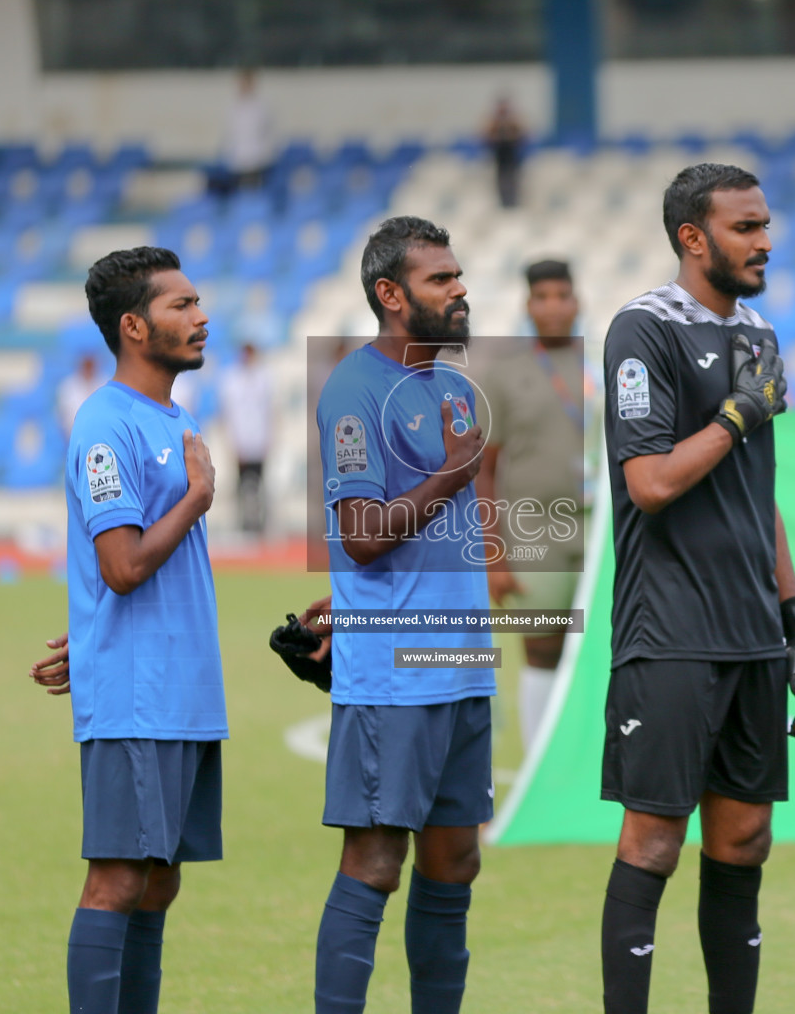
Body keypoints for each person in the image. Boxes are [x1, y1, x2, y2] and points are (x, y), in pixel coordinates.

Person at [598, 163, 795, 1014]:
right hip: (671, 635)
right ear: (694, 238)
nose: (765, 241)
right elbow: (650, 482)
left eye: (766, 224)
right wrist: (736, 414)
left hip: (752, 637)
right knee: (654, 840)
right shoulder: (641, 331)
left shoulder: (760, 334)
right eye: (746, 227)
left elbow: (755, 497)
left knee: (745, 840)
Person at [304, 216, 494, 1014]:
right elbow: (361, 535)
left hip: (463, 668)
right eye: (440, 280)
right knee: (376, 864)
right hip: (395, 680)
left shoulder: (453, 388)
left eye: (458, 276)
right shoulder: (354, 389)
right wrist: (453, 476)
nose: (460, 291)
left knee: (455, 864)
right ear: (391, 295)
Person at [26, 246, 222, 1014]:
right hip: (140, 694)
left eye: (198, 300)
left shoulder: (174, 415)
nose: (200, 315)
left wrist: (93, 631)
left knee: (159, 879)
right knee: (117, 878)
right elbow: (123, 565)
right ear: (134, 326)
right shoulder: (105, 424)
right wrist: (196, 498)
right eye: (181, 305)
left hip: (181, 686)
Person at [473, 258, 591, 751]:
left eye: (561, 296)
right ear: (528, 306)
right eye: (541, 298)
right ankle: (540, 770)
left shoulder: (606, 366)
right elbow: (484, 469)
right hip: (534, 534)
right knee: (543, 651)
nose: (553, 307)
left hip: (601, 532)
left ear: (576, 301)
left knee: (598, 650)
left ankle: (585, 767)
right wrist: (493, 554)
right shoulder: (503, 376)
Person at [220, 341, 274, 535]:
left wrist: (269, 439)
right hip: (241, 440)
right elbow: (229, 415)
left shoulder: (264, 377)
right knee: (241, 485)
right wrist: (232, 444)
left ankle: (261, 522)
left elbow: (269, 411)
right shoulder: (231, 379)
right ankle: (243, 522)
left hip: (259, 439)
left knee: (260, 484)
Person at [224, 67, 274, 190]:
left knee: (252, 195)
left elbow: (266, 133)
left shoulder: (261, 107)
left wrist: (262, 157)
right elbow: (232, 134)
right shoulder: (234, 107)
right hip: (237, 162)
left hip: (255, 161)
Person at [484, 96, 526, 209]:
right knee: (501, 181)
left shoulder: (513, 121)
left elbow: (522, 135)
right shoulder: (494, 122)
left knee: (512, 181)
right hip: (500, 156)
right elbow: (487, 136)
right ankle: (503, 204)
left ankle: (513, 203)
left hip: (512, 156)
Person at [57, 352, 107, 436]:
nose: (88, 368)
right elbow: (63, 417)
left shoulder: (105, 384)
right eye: (86, 364)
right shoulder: (67, 386)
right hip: (74, 438)